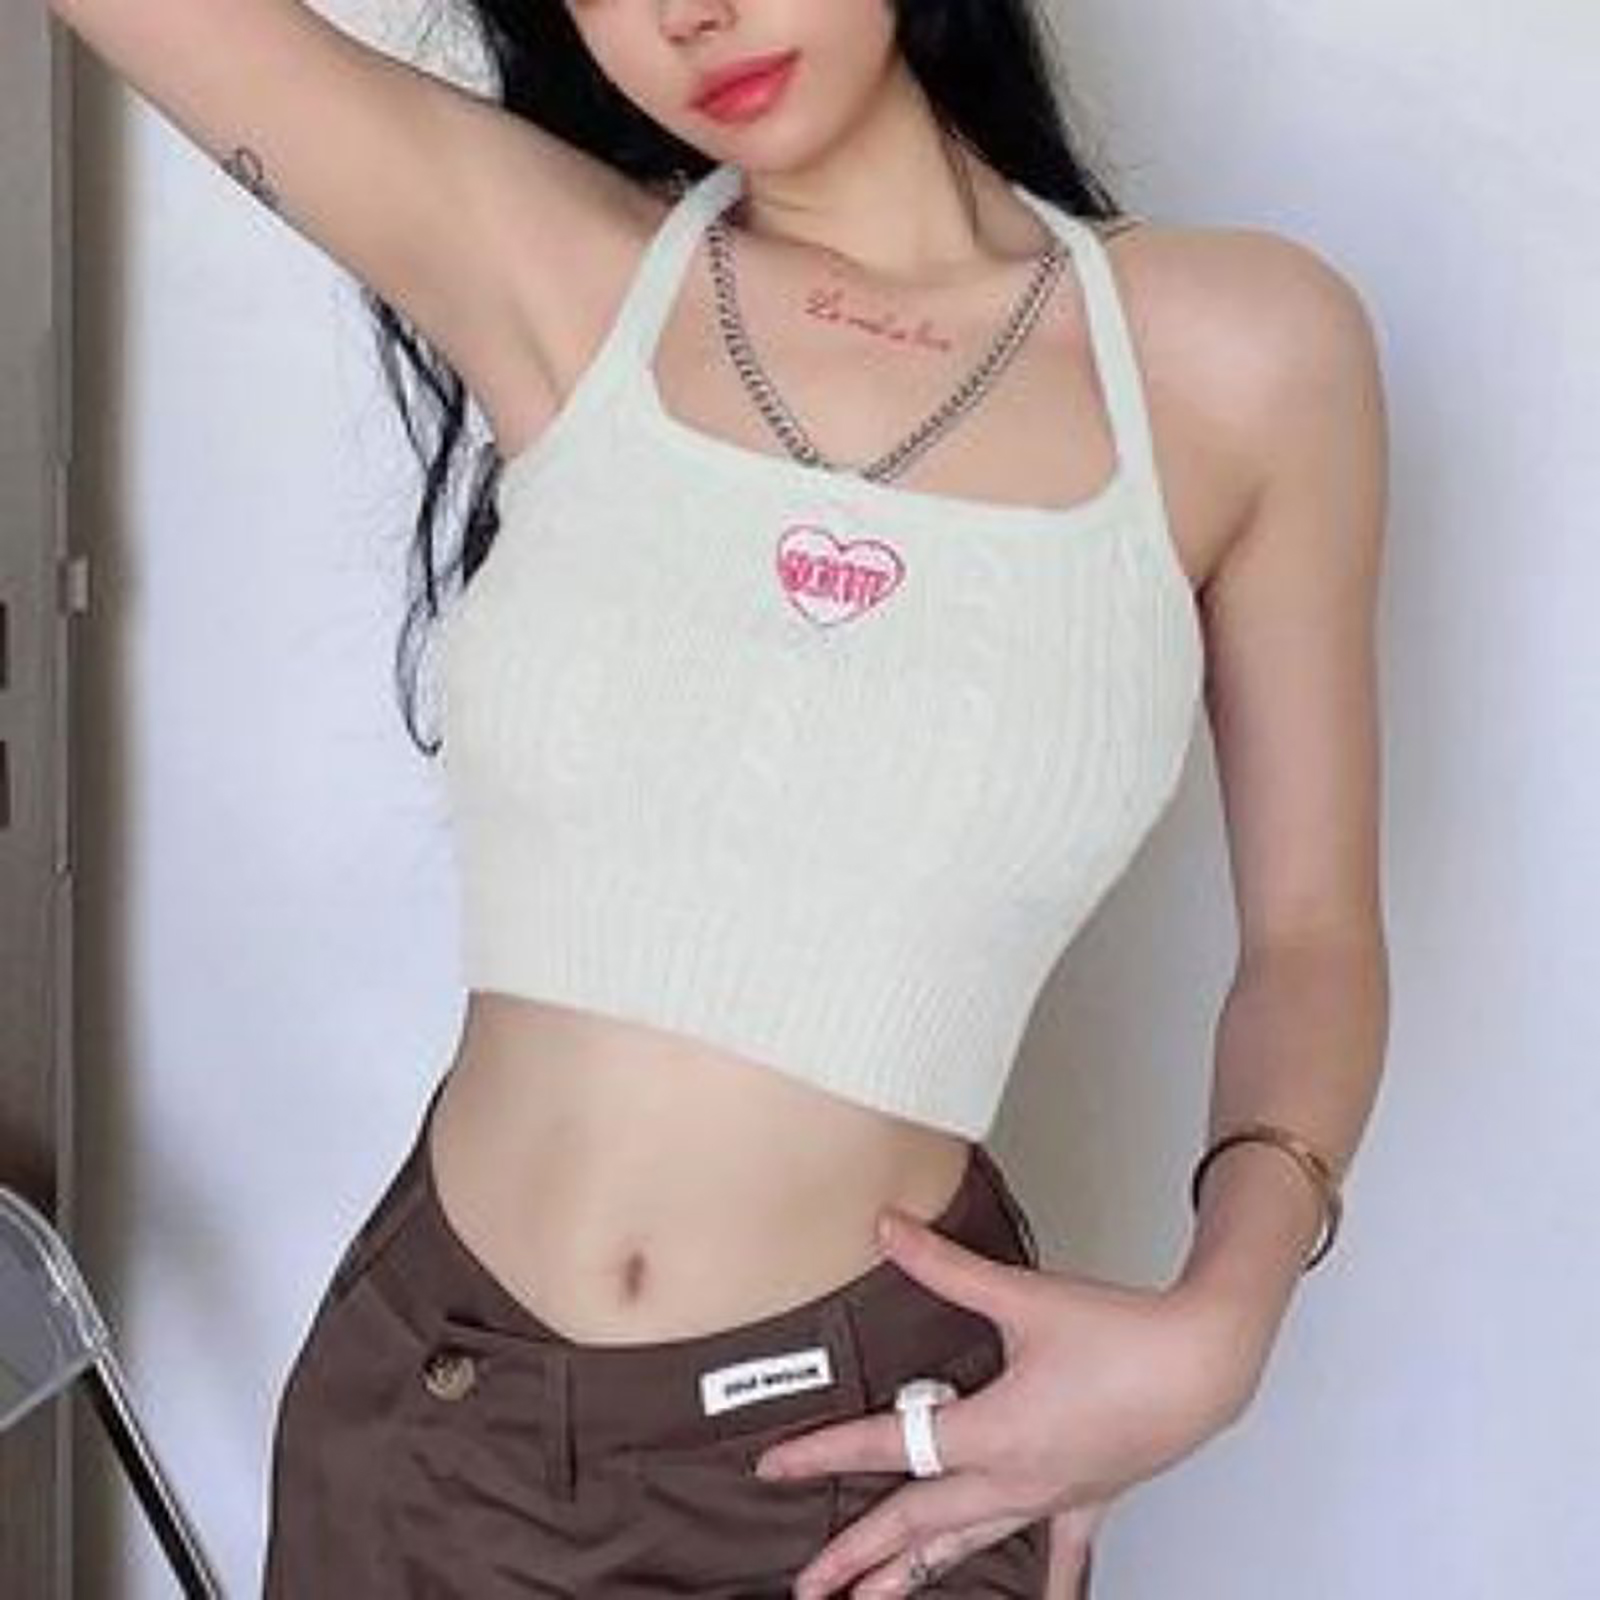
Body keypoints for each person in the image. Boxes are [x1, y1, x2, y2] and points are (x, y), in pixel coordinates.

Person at [49, 1, 1390, 1595]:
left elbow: (1312, 938)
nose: (689, 11)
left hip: (876, 1479)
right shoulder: (559, 268)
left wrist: (1224, 1322)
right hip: (439, 1424)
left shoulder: (1238, 355)